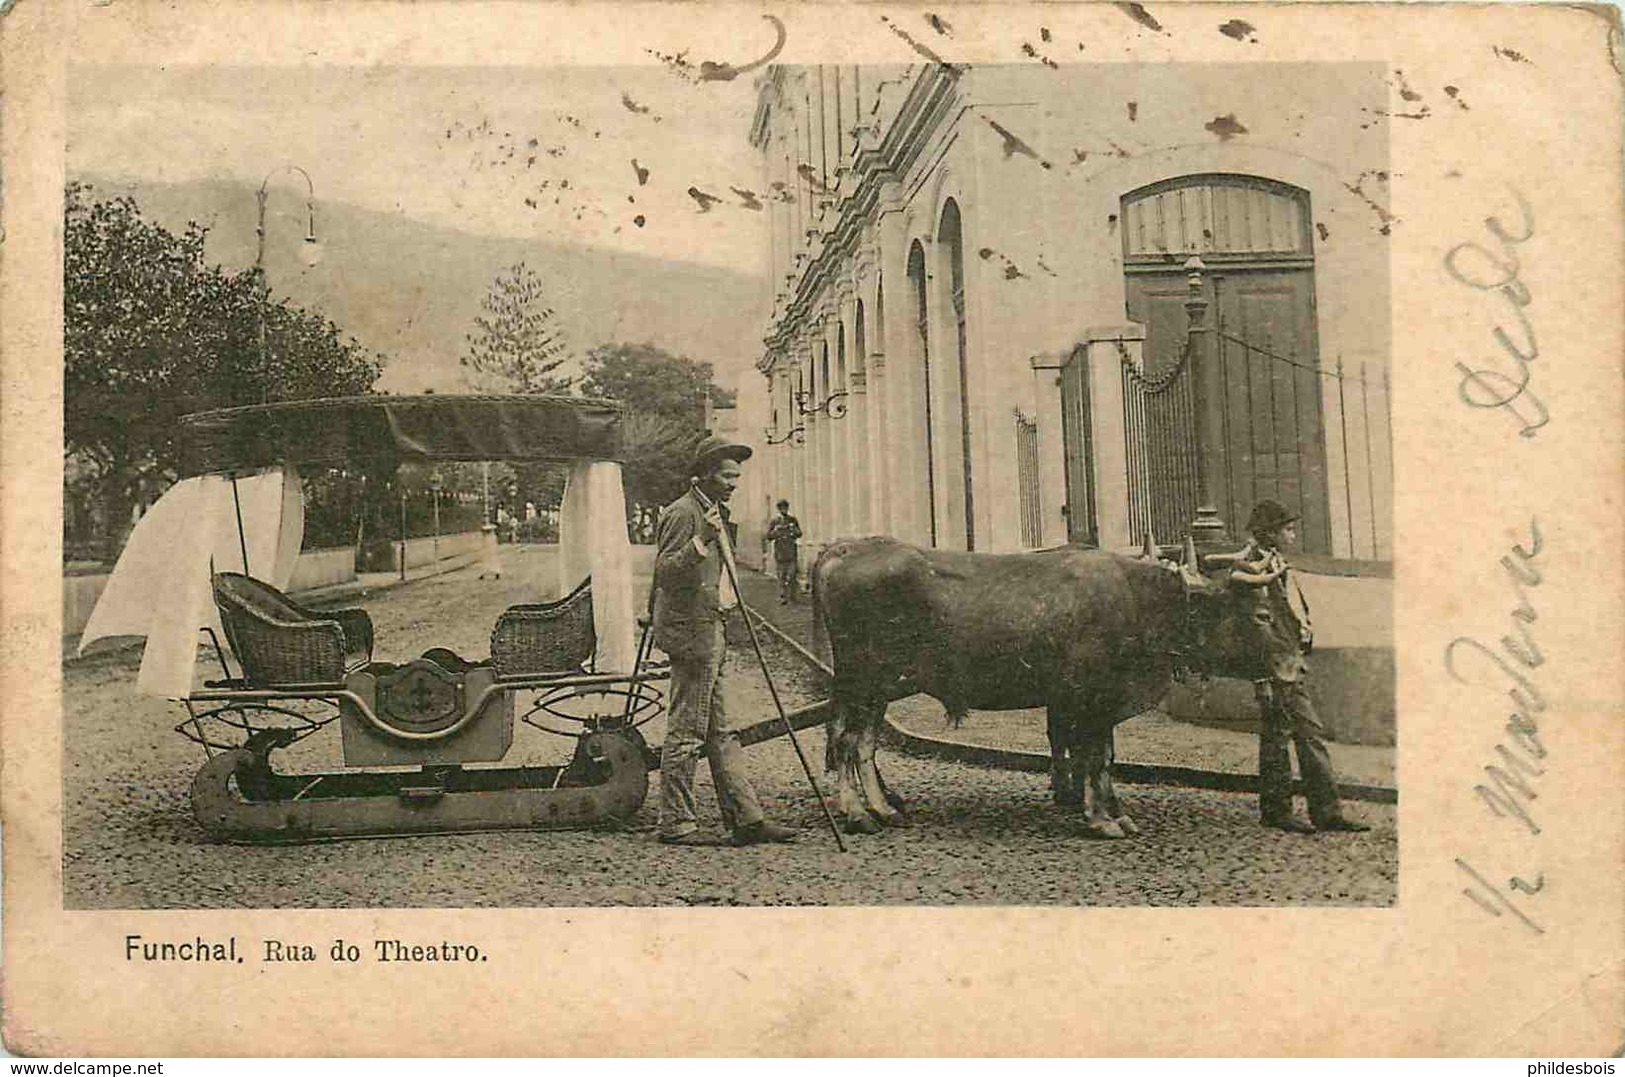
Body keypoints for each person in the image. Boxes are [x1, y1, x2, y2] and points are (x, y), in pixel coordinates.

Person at [650, 435, 799, 847]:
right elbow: (664, 573)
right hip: (693, 635)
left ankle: (747, 819)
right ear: (705, 474)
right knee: (687, 731)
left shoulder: (714, 510)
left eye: (737, 475)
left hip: (713, 627)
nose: (734, 482)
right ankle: (676, 823)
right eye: (727, 475)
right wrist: (701, 543)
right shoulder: (684, 513)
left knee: (722, 732)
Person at [1229, 500, 1370, 835]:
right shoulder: (1250, 566)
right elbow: (1254, 627)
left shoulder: (1276, 562)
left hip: (1291, 661)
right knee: (1278, 738)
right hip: (1274, 665)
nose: (1292, 534)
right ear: (1270, 533)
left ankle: (1326, 812)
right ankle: (1278, 811)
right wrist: (1263, 676)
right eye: (1287, 529)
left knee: (1310, 734)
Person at [765, 499, 802, 604]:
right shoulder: (775, 522)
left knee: (792, 575)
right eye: (781, 508)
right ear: (778, 509)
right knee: (781, 576)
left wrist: (793, 530)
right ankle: (783, 597)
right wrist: (776, 531)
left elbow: (799, 533)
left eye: (785, 507)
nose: (783, 510)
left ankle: (792, 595)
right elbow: (768, 536)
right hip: (780, 553)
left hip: (791, 552)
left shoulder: (792, 520)